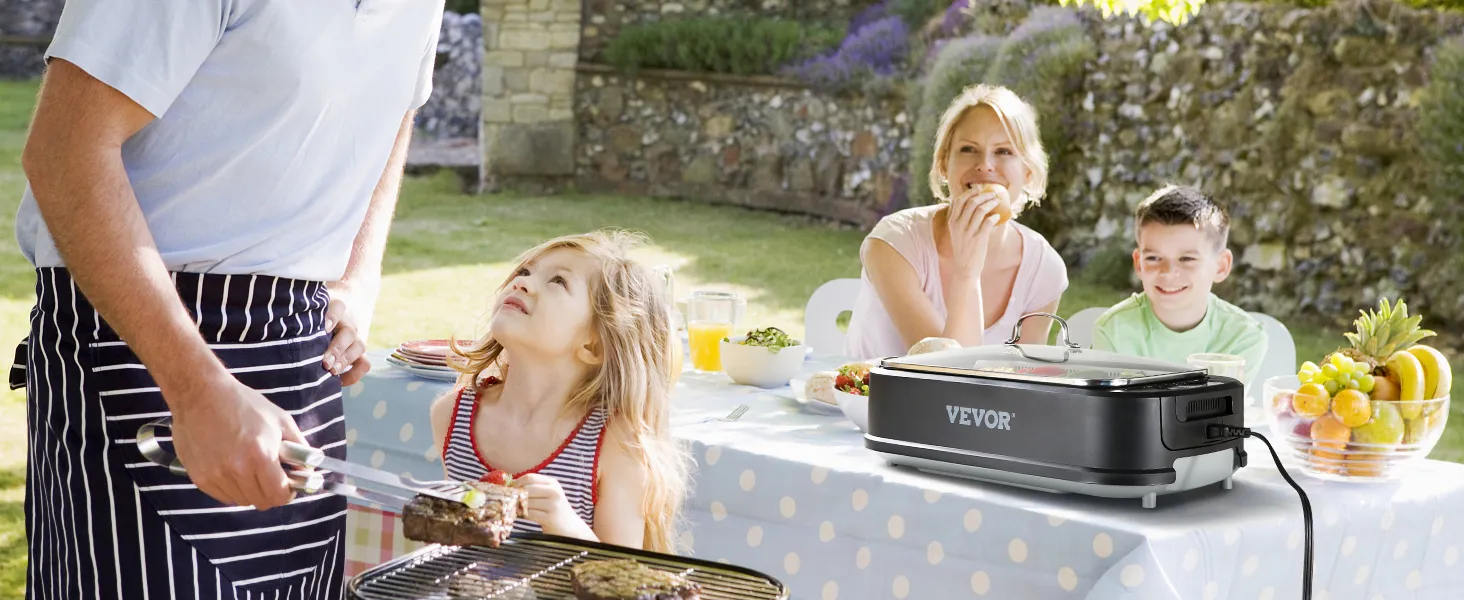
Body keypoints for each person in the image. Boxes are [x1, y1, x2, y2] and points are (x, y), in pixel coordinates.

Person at [7, 2, 445, 597]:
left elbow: (395, 106)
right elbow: (64, 154)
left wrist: (358, 276)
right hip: (140, 337)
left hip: (301, 346)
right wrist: (195, 388)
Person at [429, 230, 691, 553]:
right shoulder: (453, 416)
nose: (522, 283)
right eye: (525, 272)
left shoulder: (614, 444)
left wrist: (566, 526)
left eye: (557, 282)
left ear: (593, 344)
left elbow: (623, 583)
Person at [843, 84, 1069, 359]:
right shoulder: (892, 244)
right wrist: (967, 272)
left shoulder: (1043, 270)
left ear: (1028, 172)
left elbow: (1023, 383)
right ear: (943, 165)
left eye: (1004, 151)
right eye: (968, 149)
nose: (985, 165)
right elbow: (946, 374)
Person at [1091, 184, 1268, 385]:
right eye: (1154, 258)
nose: (1167, 271)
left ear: (1221, 266)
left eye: (1186, 259)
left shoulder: (1243, 337)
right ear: (1138, 263)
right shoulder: (1113, 332)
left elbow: (1225, 412)